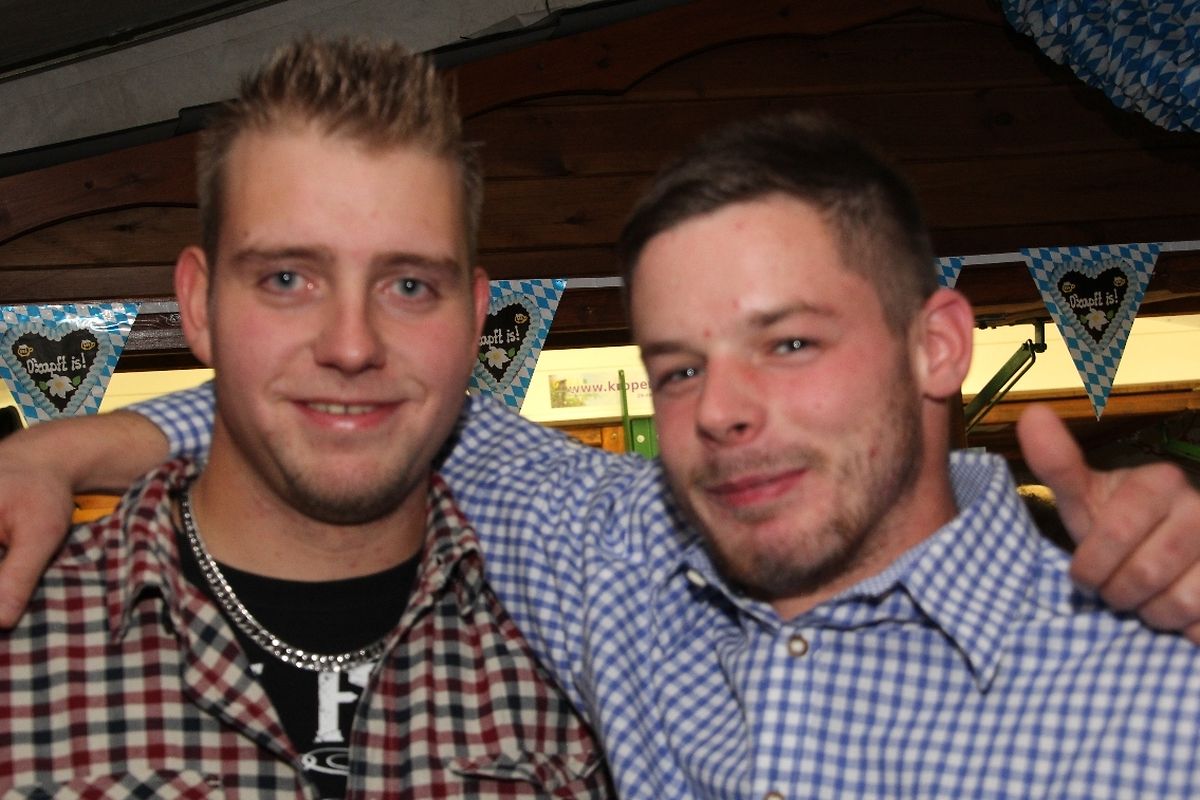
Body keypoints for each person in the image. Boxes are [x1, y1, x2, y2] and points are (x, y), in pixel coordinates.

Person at [2, 89, 1200, 800]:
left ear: (937, 344)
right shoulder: (620, 561)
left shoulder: (1160, 678)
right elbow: (358, 402)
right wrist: (59, 451)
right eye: (679, 366)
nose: (722, 410)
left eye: (789, 342)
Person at [0, 38, 613, 799]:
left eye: (410, 286)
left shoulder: (584, 659)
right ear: (199, 305)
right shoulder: (22, 644)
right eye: (288, 279)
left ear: (474, 319)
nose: (352, 346)